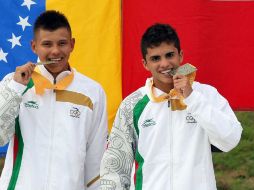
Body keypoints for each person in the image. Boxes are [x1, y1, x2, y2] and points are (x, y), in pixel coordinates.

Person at [99, 23, 242, 190]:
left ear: (180, 55)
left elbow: (230, 139)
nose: (165, 64)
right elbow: (115, 165)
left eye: (169, 55)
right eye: (156, 58)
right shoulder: (132, 104)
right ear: (145, 64)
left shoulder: (206, 95)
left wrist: (192, 98)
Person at [0, 10, 108, 190]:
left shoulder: (92, 92)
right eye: (47, 44)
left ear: (72, 44)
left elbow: (96, 161)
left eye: (62, 43)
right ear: (34, 46)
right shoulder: (16, 83)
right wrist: (16, 88)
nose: (55, 51)